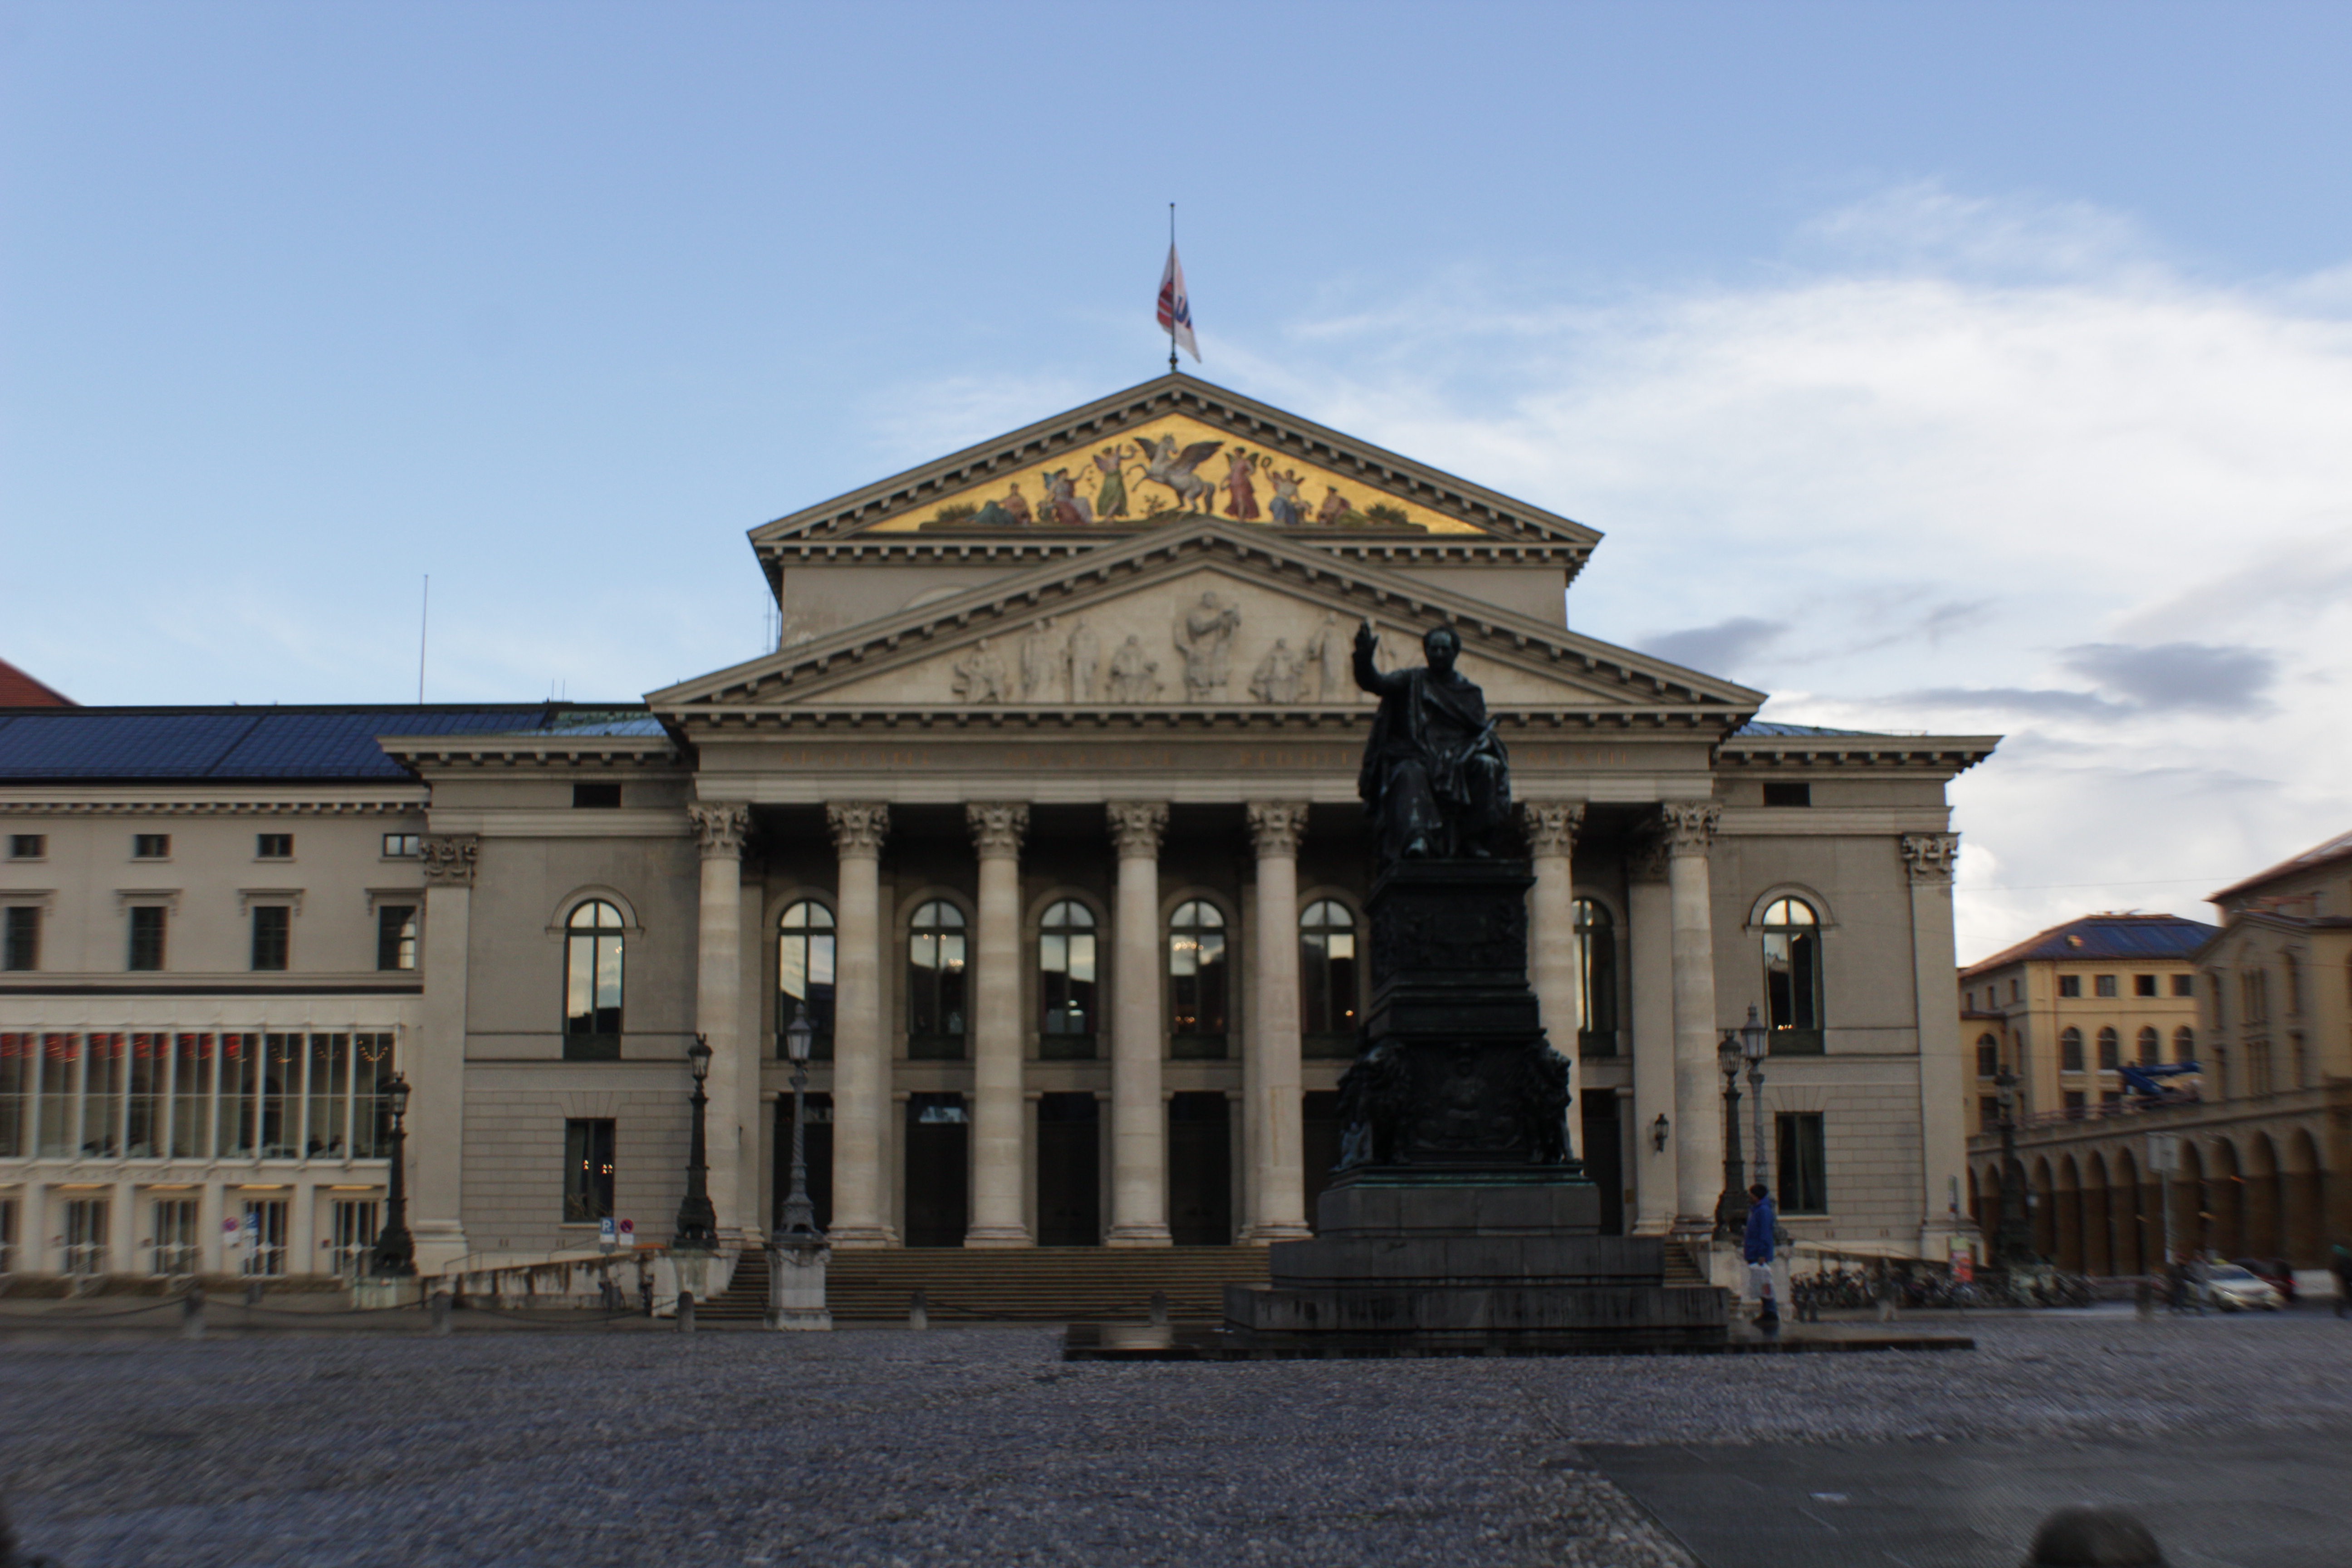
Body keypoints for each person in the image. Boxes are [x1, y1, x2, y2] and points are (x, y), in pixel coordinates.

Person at [1352, 622, 1511, 862]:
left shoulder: (1470, 693)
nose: (1438, 655)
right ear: (1426, 652)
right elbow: (1376, 683)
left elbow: (1481, 734)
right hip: (1419, 754)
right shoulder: (1411, 681)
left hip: (1459, 760)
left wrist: (1479, 747)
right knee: (1409, 771)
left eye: (1444, 650)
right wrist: (1363, 658)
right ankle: (1418, 837)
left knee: (1487, 765)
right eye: (1433, 650)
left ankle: (1473, 838)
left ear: (1454, 653)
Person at [1744, 1182, 1779, 1328]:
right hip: (1755, 1251)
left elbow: (1764, 1234)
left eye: (1751, 1195)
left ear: (1756, 1196)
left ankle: (1770, 1311)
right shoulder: (1758, 1210)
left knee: (1764, 1282)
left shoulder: (1763, 1211)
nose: (1750, 1197)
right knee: (1761, 1282)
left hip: (1758, 1253)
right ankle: (1767, 1311)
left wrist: (1762, 1254)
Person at [2331, 1240, 2352, 1318]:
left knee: (2345, 1293)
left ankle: (2340, 1310)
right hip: (2343, 1276)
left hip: (2341, 1276)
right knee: (2344, 1293)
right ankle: (2339, 1311)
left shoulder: (2339, 1254)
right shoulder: (2344, 1255)